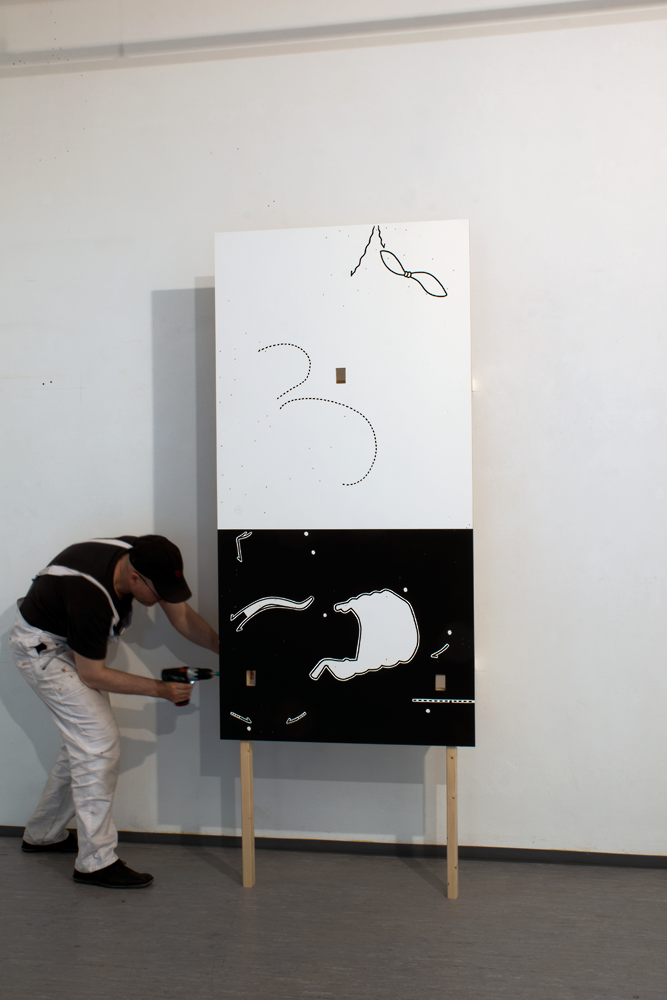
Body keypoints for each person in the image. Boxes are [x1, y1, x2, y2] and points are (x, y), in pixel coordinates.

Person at [9, 535, 219, 890]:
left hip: (68, 637)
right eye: (159, 593)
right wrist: (160, 690)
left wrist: (222, 647)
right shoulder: (89, 596)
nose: (163, 600)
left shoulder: (145, 555)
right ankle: (95, 863)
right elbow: (93, 674)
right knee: (98, 743)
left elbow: (181, 617)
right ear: (135, 578)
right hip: (43, 650)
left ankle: (43, 834)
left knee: (84, 744)